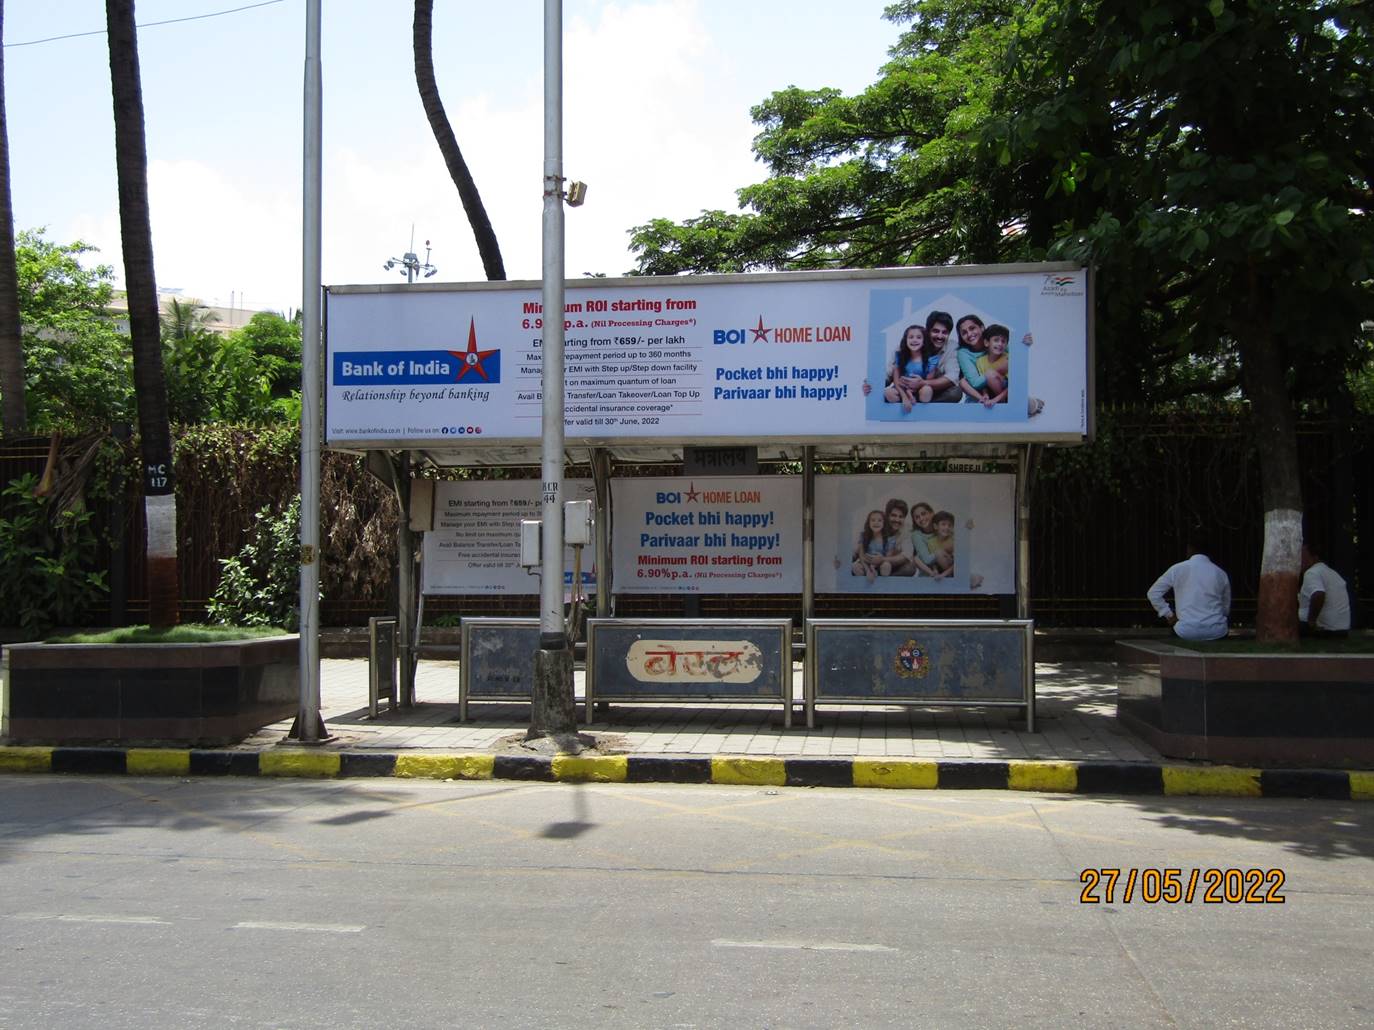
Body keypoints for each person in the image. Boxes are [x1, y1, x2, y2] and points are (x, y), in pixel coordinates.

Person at [1146, 539, 1231, 641]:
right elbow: (1225, 606)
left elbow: (1153, 593)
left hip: (1185, 630)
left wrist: (1169, 614)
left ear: (1190, 549)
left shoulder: (1177, 569)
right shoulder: (1220, 573)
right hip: (1217, 630)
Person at [1299, 542, 1351, 637]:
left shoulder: (1312, 572)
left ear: (1315, 557)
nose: (1299, 560)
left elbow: (1319, 595)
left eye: (1303, 556)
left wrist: (1311, 622)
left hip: (1324, 630)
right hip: (1341, 630)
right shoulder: (1332, 573)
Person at [850, 509, 890, 582]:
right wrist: (868, 570)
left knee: (886, 566)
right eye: (873, 520)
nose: (876, 523)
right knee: (855, 567)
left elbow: (887, 557)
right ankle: (867, 579)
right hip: (866, 564)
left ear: (884, 523)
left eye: (879, 520)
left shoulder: (888, 539)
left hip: (880, 564)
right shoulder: (864, 536)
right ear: (868, 523)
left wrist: (874, 566)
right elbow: (861, 555)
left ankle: (879, 580)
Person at [881, 498, 914, 575]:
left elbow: (906, 555)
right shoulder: (879, 524)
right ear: (887, 515)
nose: (897, 520)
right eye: (893, 515)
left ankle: (889, 584)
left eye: (901, 517)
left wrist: (882, 560)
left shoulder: (906, 530)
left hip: (894, 566)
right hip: (875, 565)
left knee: (910, 568)